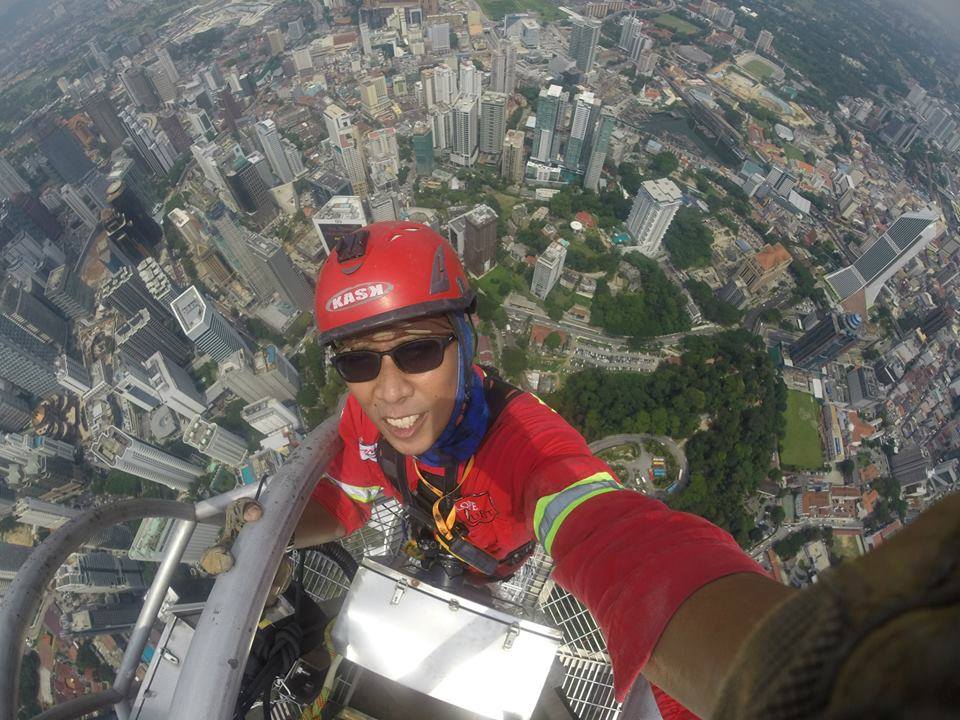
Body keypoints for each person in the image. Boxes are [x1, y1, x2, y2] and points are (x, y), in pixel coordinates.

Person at [290, 221, 794, 719]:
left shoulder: (528, 447)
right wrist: (271, 542)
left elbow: (615, 537)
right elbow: (346, 506)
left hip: (500, 572)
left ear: (466, 339)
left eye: (417, 350)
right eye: (358, 363)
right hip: (425, 542)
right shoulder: (365, 420)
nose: (389, 391)